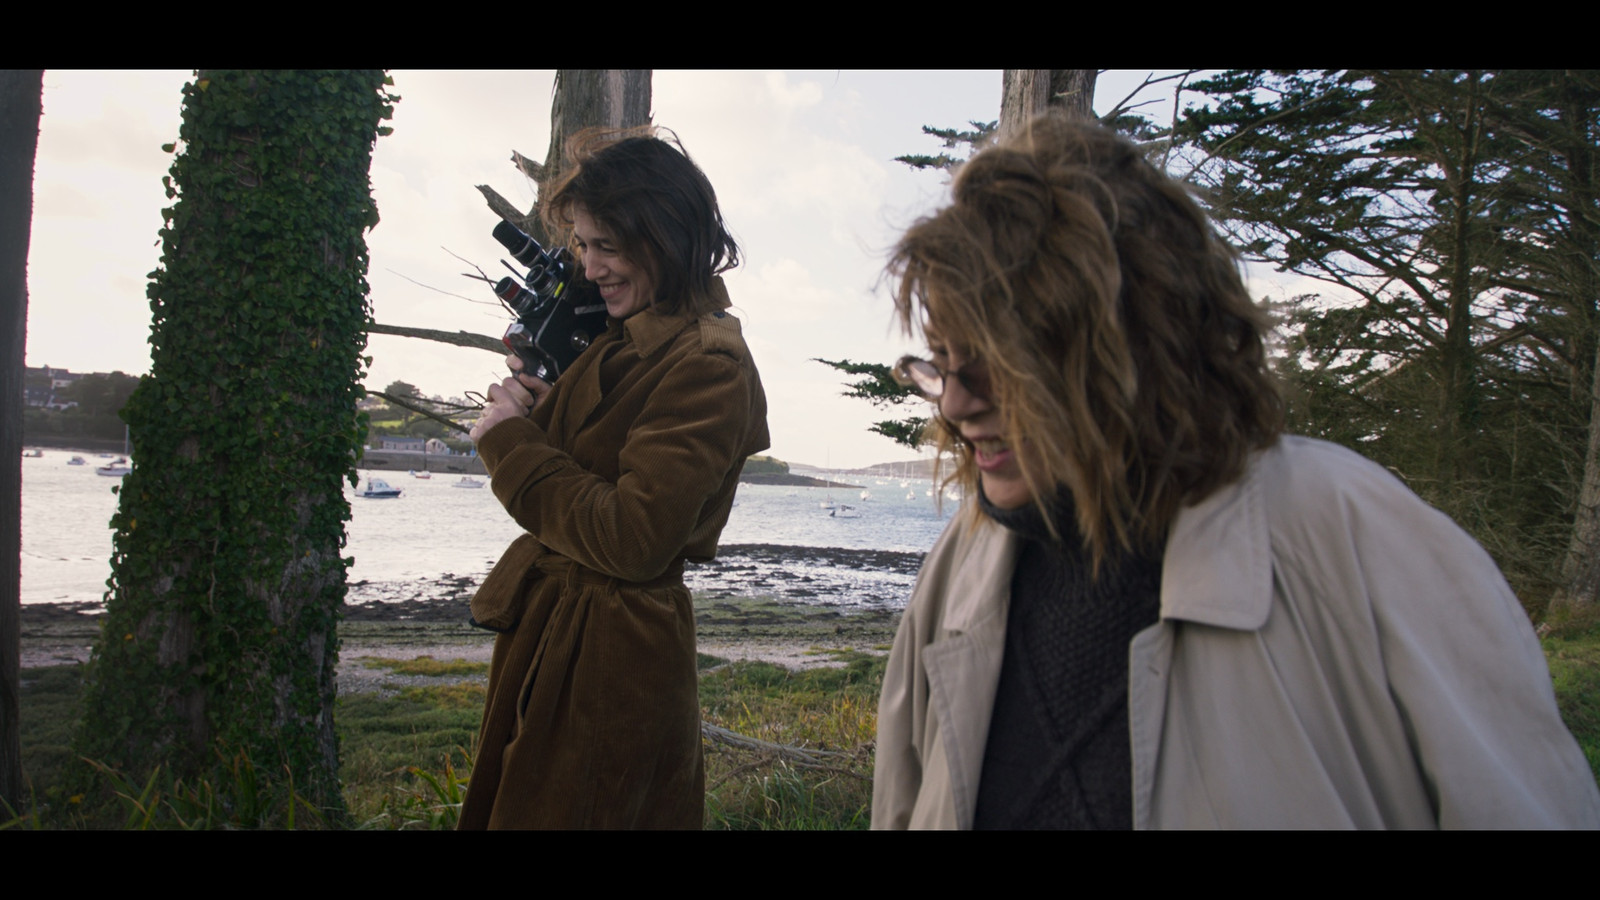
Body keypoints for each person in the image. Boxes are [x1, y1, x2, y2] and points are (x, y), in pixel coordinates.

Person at [871, 114, 1600, 829]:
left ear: (1138, 342)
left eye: (999, 363)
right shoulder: (960, 566)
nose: (957, 404)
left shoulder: (1359, 539)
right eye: (942, 361)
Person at [459, 127, 768, 829]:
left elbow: (634, 539)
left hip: (611, 656)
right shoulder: (628, 337)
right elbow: (597, 460)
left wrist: (509, 442)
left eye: (608, 246)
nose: (591, 267)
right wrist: (541, 416)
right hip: (560, 636)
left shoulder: (708, 365)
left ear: (664, 238)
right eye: (582, 244)